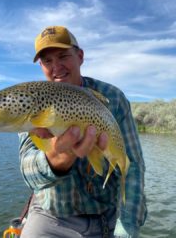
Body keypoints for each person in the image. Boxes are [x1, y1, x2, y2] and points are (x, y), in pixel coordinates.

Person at [18, 26, 147, 238]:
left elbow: (132, 166)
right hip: (51, 217)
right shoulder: (33, 99)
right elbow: (29, 175)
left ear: (80, 56)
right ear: (41, 66)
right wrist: (57, 158)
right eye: (47, 61)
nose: (56, 67)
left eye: (63, 56)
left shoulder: (113, 98)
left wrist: (127, 227)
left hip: (106, 216)